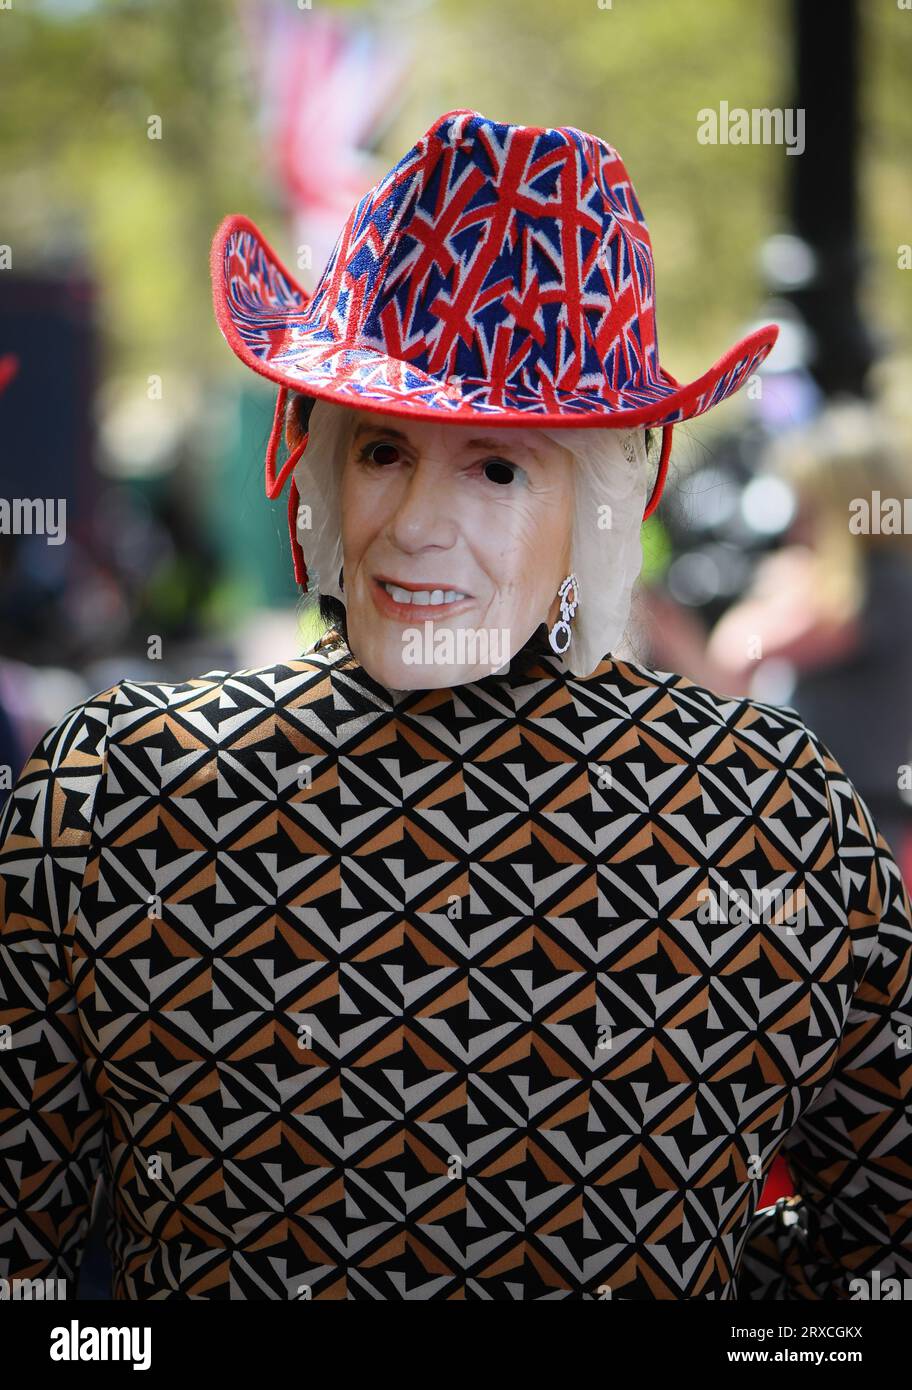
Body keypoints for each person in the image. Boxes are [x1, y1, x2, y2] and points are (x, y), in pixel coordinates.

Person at [1, 109, 909, 1301]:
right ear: (321, 460)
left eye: (493, 464)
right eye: (382, 448)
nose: (416, 522)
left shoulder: (771, 817)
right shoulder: (119, 791)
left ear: (600, 496)